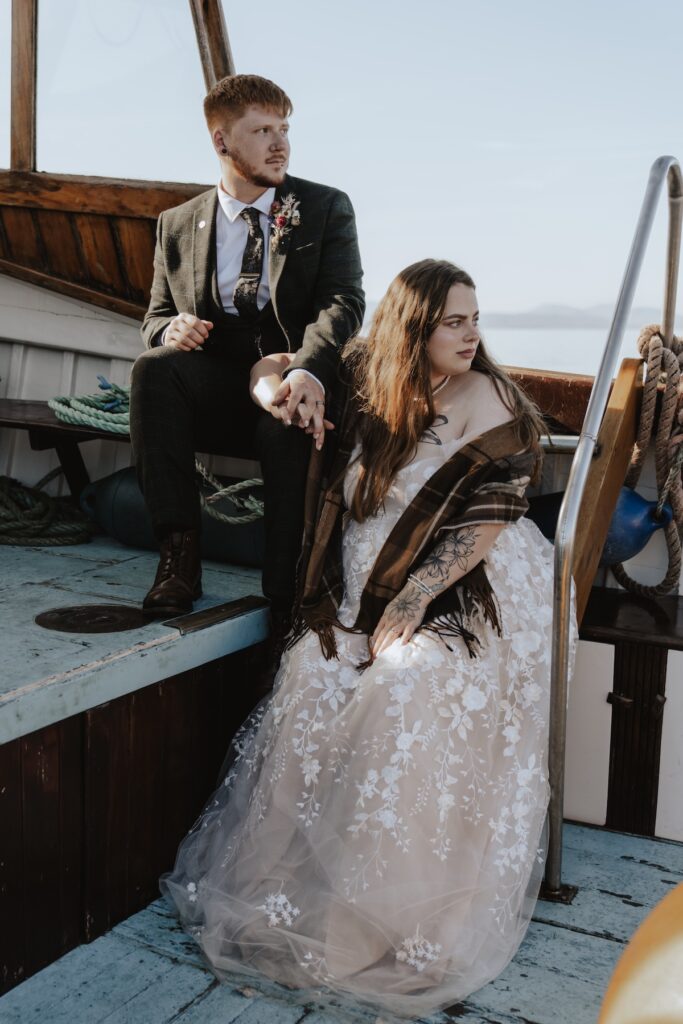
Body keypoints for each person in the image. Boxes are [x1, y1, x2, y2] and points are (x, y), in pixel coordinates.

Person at [161, 260, 577, 1021]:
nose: (471, 333)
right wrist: (280, 392)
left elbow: (490, 512)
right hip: (355, 593)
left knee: (405, 684)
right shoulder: (360, 377)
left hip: (464, 589)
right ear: (411, 330)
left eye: (474, 318)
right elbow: (269, 362)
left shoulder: (493, 400)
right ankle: (288, 892)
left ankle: (378, 919)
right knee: (309, 675)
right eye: (453, 321)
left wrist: (418, 595)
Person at [129, 74, 364, 628]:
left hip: (289, 379)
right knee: (154, 371)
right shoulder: (177, 224)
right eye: (262, 130)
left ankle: (285, 599)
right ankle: (178, 560)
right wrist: (171, 331)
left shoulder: (325, 207)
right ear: (221, 142)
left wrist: (309, 372)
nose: (280, 143)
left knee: (287, 422)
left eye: (284, 129)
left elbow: (343, 302)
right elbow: (154, 318)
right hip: (213, 384)